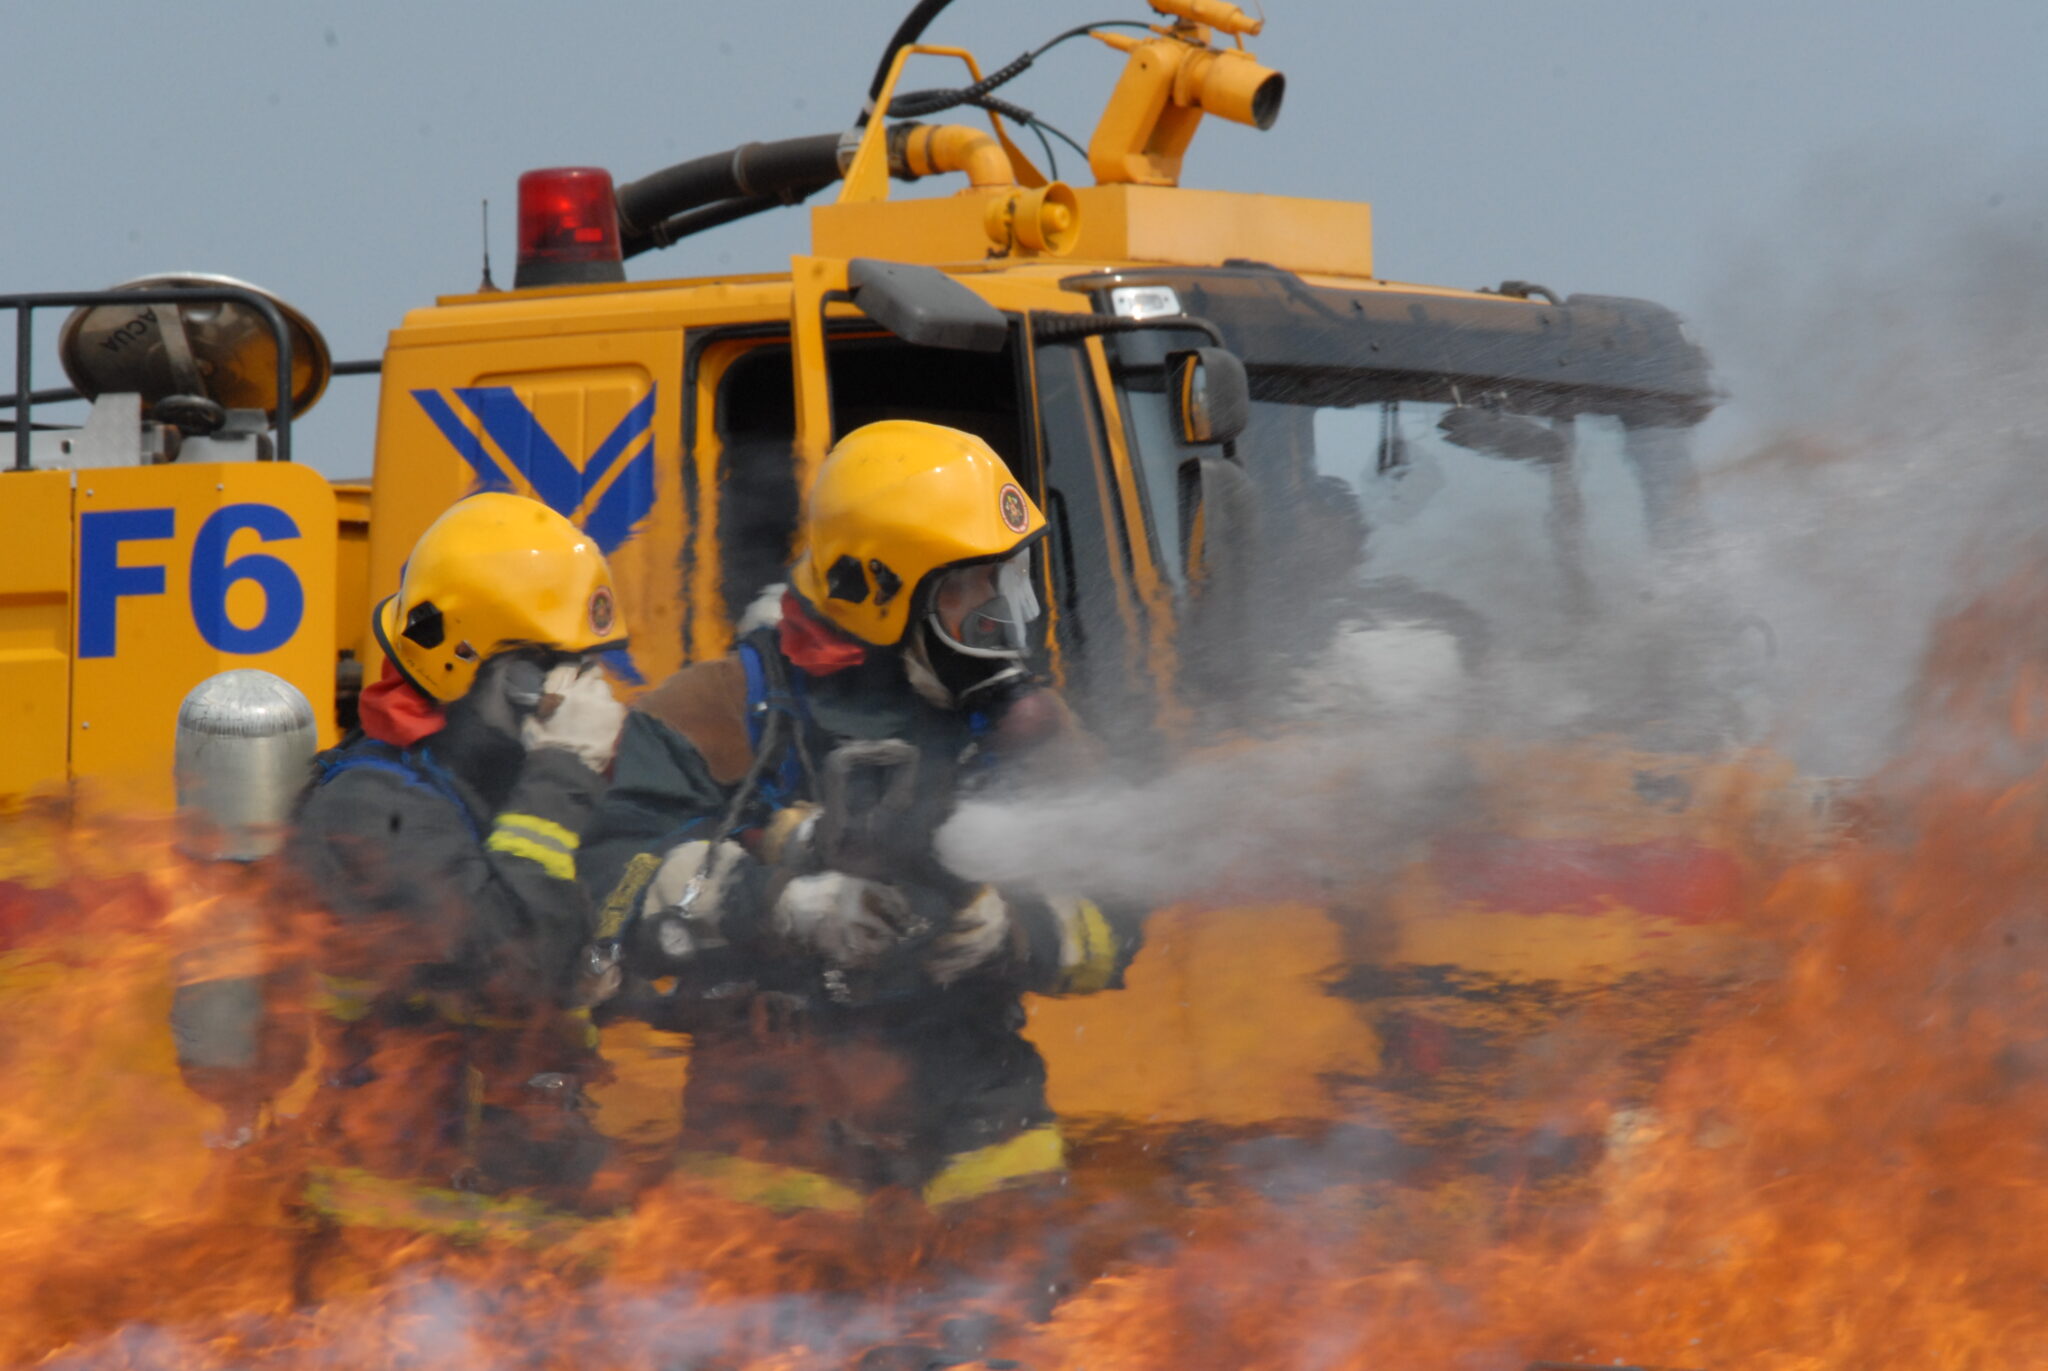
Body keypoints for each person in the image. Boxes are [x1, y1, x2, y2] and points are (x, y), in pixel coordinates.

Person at [582, 420, 1141, 1210]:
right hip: (771, 1138)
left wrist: (1011, 933)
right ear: (874, 588)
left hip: (982, 1125)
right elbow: (610, 884)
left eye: (1003, 580)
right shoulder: (711, 710)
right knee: (778, 1336)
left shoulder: (1024, 729)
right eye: (965, 587)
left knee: (1025, 1326)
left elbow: (1119, 912)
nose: (997, 612)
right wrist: (779, 905)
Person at [288, 492, 629, 1222]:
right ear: (478, 663)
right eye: (558, 667)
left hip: (513, 1204)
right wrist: (565, 770)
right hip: (400, 1228)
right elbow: (510, 964)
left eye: (588, 665)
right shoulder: (368, 812)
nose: (584, 693)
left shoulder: (500, 787)